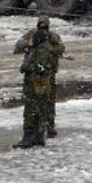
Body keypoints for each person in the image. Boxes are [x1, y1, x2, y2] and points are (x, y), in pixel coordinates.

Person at [12, 16, 65, 148]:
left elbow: (60, 48)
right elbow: (18, 47)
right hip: (36, 76)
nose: (42, 29)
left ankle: (40, 132)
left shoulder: (52, 39)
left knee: (42, 105)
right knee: (39, 105)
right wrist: (29, 44)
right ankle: (38, 134)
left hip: (46, 76)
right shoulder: (32, 35)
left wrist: (50, 41)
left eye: (44, 26)